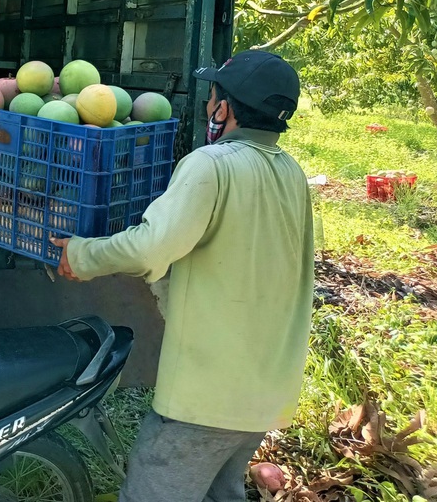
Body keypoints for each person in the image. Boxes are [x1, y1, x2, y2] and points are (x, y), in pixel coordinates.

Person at [51, 51, 314, 502]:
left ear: (224, 108)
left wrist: (83, 254)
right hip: (266, 387)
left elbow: (153, 246)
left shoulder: (212, 164)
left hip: (208, 393)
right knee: (220, 492)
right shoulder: (292, 173)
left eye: (214, 95)